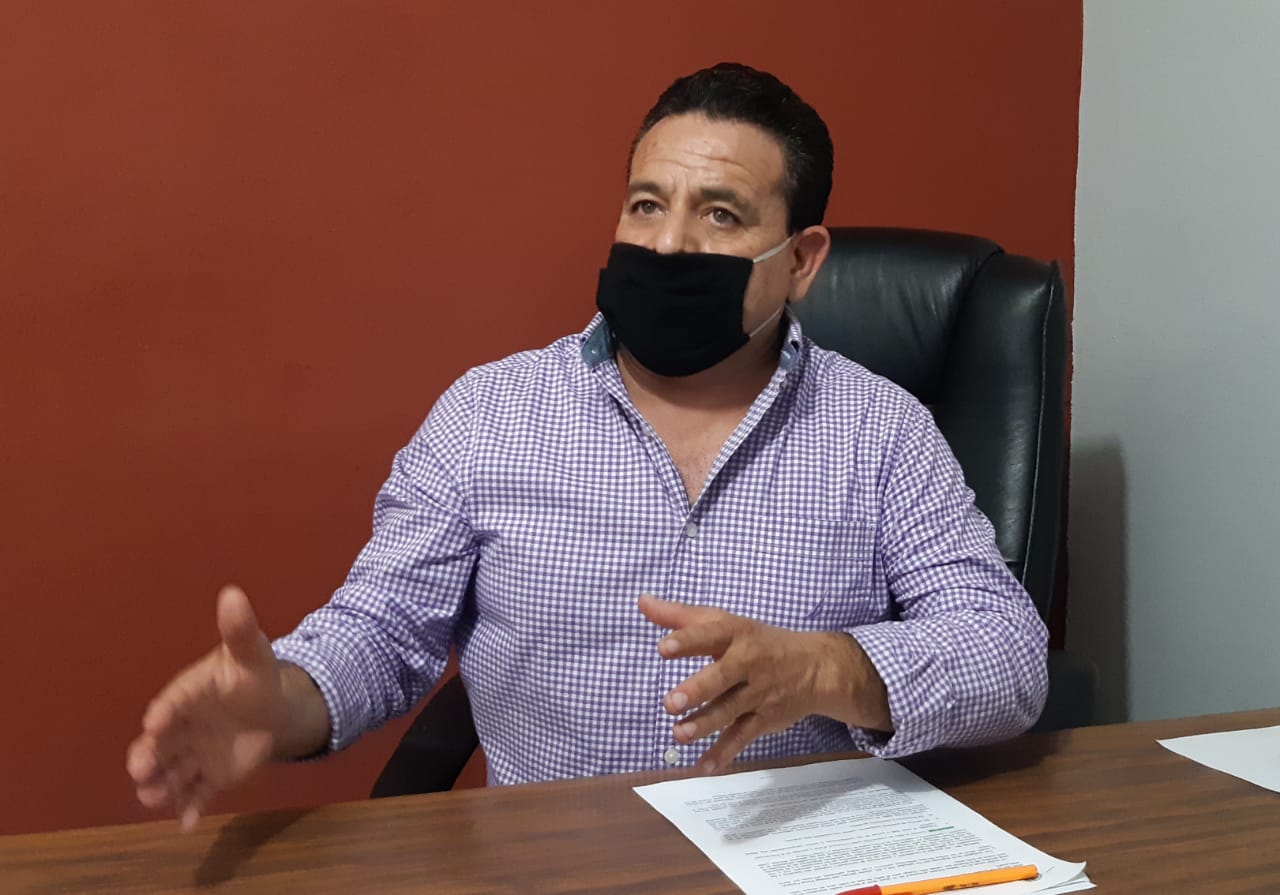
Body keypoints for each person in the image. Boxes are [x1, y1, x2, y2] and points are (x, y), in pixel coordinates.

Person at [127, 62, 1048, 830]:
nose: (669, 243)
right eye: (647, 204)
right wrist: (284, 700)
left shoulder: (881, 429)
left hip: (795, 863)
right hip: (555, 866)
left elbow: (1008, 654)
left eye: (720, 215)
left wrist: (826, 668)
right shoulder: (490, 414)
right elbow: (381, 632)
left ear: (801, 261)